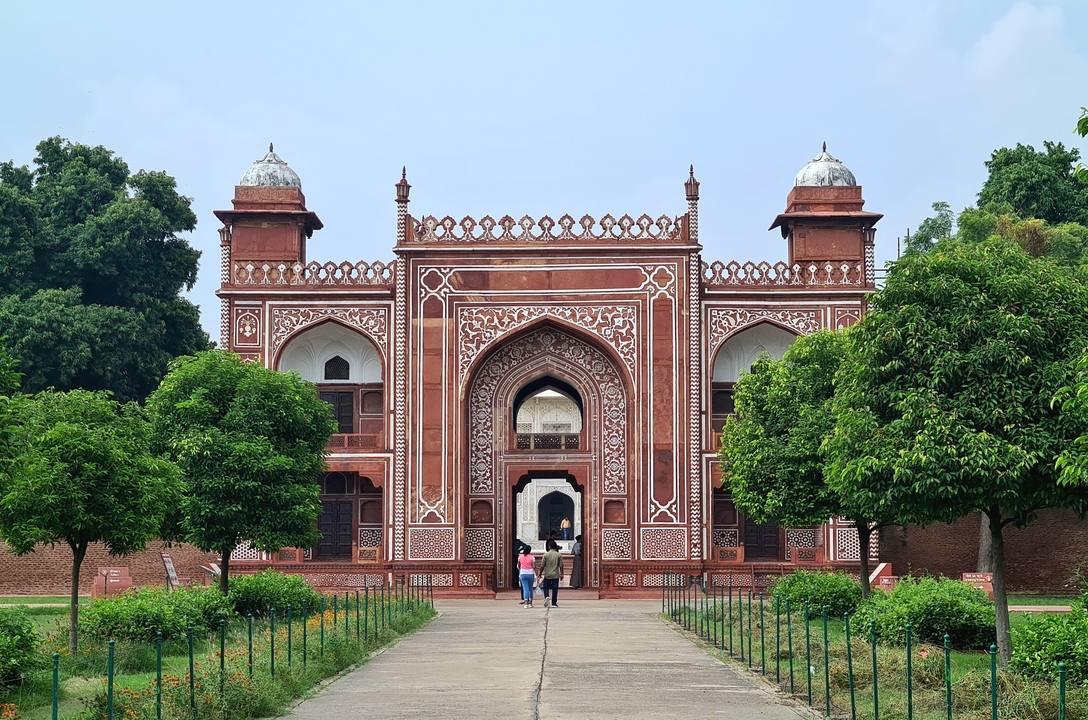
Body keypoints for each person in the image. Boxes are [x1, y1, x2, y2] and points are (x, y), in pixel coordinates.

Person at [540, 539, 564, 607]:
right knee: (555, 589)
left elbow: (542, 565)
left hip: (547, 574)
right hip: (555, 574)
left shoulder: (546, 555)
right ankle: (554, 603)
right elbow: (561, 565)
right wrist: (562, 574)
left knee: (545, 587)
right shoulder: (558, 555)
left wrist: (540, 573)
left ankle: (547, 596)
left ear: (549, 547)